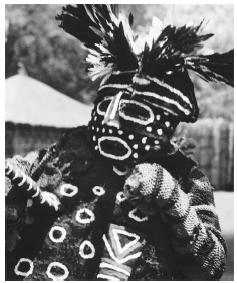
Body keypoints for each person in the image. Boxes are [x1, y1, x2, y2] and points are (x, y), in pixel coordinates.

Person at [5, 4, 233, 281]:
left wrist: (171, 196)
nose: (111, 123)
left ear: (168, 122)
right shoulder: (70, 147)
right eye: (104, 108)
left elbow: (210, 269)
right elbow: (21, 174)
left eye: (134, 113)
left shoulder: (183, 174)